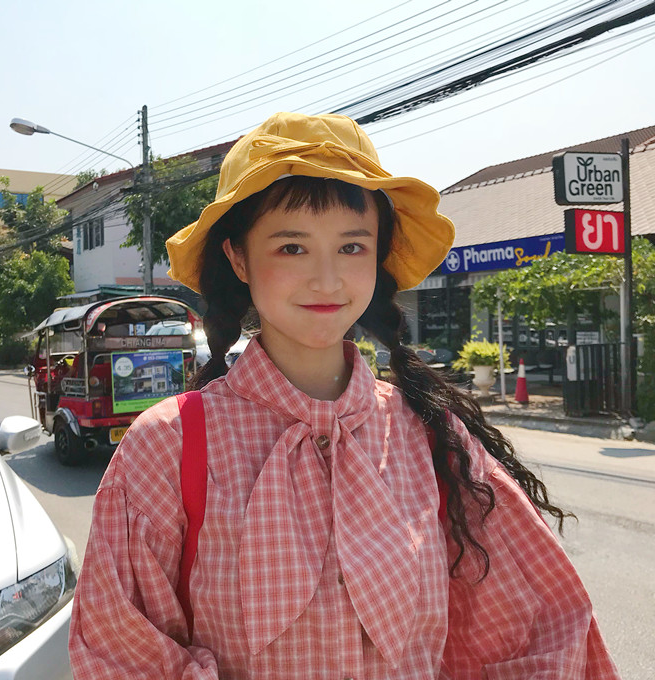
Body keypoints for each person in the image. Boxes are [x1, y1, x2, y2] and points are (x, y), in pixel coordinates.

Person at [69, 112, 620, 679]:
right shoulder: (167, 447)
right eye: (291, 248)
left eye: (352, 247)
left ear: (378, 254)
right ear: (238, 257)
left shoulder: (432, 434)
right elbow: (119, 652)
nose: (328, 279)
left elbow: (538, 631)